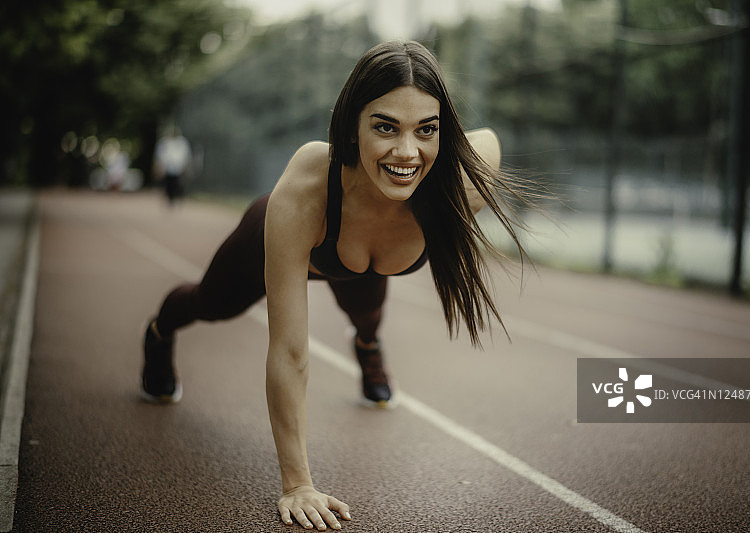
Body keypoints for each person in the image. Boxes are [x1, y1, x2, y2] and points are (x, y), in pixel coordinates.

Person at [141, 41, 531, 530]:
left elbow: (486, 140)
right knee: (211, 303)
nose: (407, 152)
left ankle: (367, 345)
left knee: (367, 317)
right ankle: (158, 333)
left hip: (359, 265)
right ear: (352, 125)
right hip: (287, 238)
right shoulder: (308, 186)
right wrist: (297, 483)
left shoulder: (461, 179)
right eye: (385, 126)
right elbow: (289, 351)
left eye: (426, 129)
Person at [153, 126, 192, 205]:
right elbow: (160, 155)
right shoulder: (164, 142)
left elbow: (186, 155)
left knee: (177, 184)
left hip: (178, 167)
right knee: (169, 184)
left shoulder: (182, 142)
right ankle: (170, 198)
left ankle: (175, 198)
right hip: (168, 168)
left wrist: (186, 166)